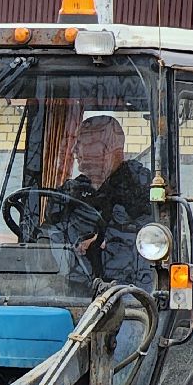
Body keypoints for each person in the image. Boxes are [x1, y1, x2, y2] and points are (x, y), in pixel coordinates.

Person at [55, 115, 152, 278]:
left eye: (83, 142)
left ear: (109, 148)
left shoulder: (140, 185)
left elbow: (154, 235)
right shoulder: (71, 191)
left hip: (127, 289)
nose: (74, 151)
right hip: (70, 285)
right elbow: (51, 229)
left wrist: (103, 240)